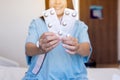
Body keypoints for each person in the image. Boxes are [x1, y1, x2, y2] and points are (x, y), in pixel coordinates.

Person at [23, 0, 92, 80]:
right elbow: (28, 49)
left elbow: (87, 49)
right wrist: (40, 48)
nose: (57, 2)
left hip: (74, 77)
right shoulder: (37, 23)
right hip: (41, 77)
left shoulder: (79, 26)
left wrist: (78, 47)